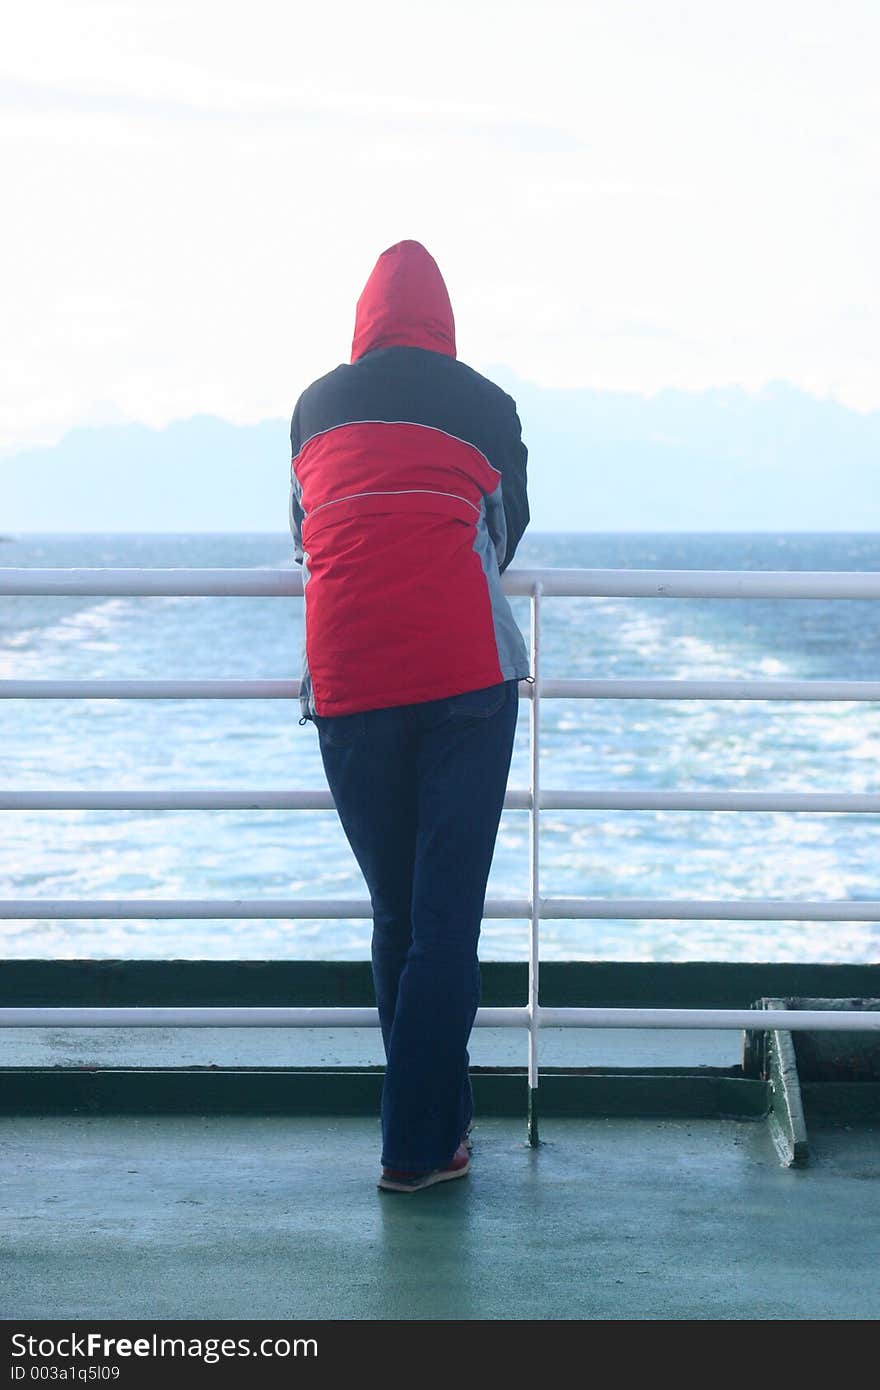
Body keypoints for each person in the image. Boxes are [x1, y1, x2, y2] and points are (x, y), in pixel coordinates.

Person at [288, 239, 530, 1192]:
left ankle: (431, 1131)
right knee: (445, 925)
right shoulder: (486, 404)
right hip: (464, 679)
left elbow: (307, 534)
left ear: (363, 318)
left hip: (346, 678)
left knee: (397, 914)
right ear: (445, 319)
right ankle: (419, 1145)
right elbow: (503, 535)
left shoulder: (314, 406)